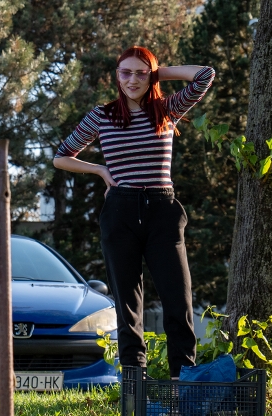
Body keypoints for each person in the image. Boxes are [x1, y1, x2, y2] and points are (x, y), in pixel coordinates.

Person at [53, 46, 214, 380]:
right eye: (125, 72)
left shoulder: (167, 109)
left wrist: (157, 73)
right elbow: (61, 156)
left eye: (141, 73)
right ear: (116, 76)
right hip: (120, 211)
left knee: (178, 301)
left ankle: (182, 381)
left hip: (163, 211)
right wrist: (100, 170)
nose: (133, 80)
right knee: (127, 305)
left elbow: (204, 75)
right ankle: (133, 383)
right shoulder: (103, 115)